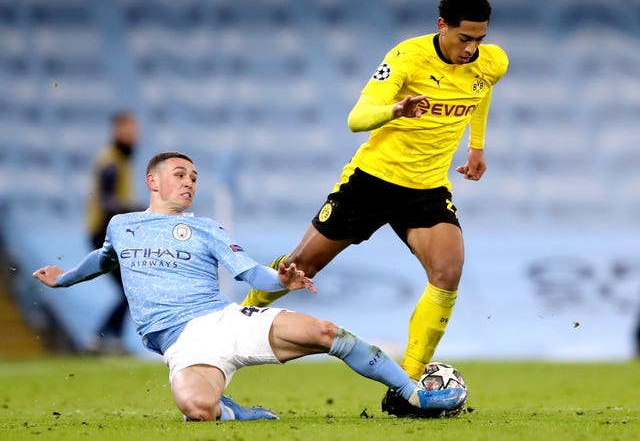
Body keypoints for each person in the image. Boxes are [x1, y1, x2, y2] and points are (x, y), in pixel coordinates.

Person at [33, 151, 466, 422]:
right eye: (180, 174)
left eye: (194, 178)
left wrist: (280, 278)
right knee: (197, 410)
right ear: (153, 181)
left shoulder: (206, 229)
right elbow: (103, 259)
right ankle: (233, 412)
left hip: (224, 321)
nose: (189, 182)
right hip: (183, 345)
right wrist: (64, 279)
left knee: (326, 333)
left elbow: (250, 273)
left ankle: (412, 394)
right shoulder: (122, 225)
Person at [242, 0, 508, 417]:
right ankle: (240, 315)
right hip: (372, 182)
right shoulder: (406, 58)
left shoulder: (492, 61)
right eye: (465, 38)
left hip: (426, 189)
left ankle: (406, 385)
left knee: (448, 270)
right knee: (300, 267)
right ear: (442, 26)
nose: (473, 48)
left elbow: (483, 88)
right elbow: (356, 118)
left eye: (480, 38)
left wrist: (476, 147)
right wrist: (397, 109)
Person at [85, 111, 142, 353]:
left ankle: (109, 338)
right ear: (117, 131)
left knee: (130, 288)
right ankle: (101, 338)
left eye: (135, 131)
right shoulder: (111, 161)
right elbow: (107, 200)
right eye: (128, 130)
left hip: (111, 232)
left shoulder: (120, 159)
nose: (133, 136)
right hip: (103, 232)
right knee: (130, 287)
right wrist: (136, 210)